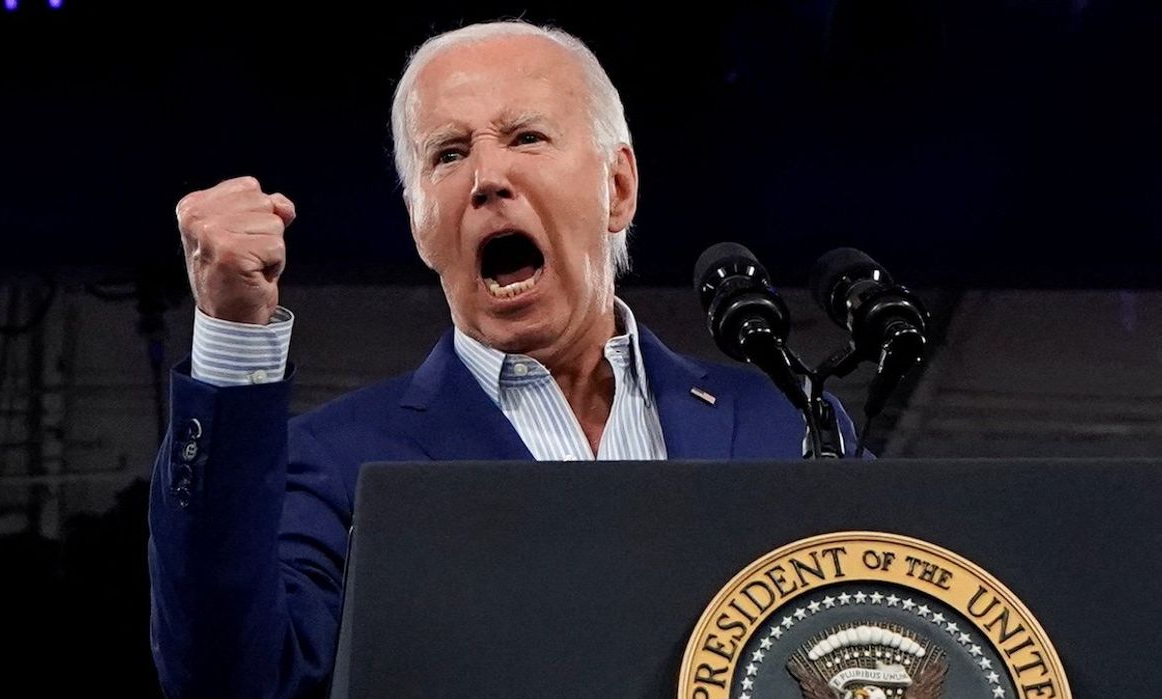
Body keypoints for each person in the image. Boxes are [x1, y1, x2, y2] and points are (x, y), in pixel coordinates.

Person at [148, 19, 861, 699]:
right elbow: (227, 678)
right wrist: (234, 334)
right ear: (419, 223)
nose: (487, 176)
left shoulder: (784, 426)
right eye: (448, 155)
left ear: (616, 188)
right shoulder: (336, 460)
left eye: (526, 136)